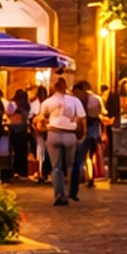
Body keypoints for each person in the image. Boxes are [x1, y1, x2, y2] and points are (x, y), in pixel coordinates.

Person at [38, 75, 86, 206]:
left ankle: (59, 195)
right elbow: (82, 118)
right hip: (70, 134)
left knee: (56, 167)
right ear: (66, 87)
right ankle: (71, 192)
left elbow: (41, 119)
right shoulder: (74, 101)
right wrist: (83, 134)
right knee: (70, 165)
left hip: (53, 132)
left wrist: (43, 130)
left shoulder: (47, 102)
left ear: (54, 88)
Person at [75, 77, 103, 197]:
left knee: (82, 155)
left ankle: (82, 177)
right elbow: (100, 112)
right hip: (93, 130)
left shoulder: (80, 100)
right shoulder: (96, 99)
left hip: (84, 130)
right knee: (89, 156)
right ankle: (89, 177)